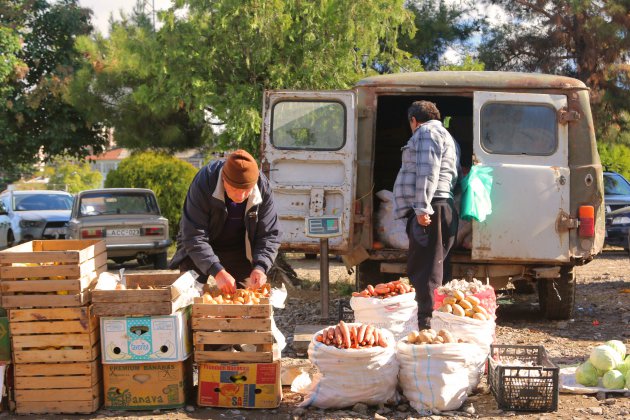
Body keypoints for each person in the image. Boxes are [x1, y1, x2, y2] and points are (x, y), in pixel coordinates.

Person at [169, 150, 281, 294]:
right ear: (224, 179)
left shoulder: (262, 186)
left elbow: (270, 233)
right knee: (188, 295)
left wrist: (260, 267)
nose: (240, 196)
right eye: (234, 189)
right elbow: (193, 234)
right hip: (198, 247)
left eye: (246, 190)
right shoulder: (204, 182)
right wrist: (217, 270)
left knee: (246, 298)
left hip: (238, 249)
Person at [393, 101, 459, 330]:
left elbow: (426, 170)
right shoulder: (447, 136)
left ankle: (425, 325)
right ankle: (438, 321)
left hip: (432, 207)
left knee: (424, 269)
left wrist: (421, 208)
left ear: (413, 120)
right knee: (436, 266)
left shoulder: (426, 132)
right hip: (442, 205)